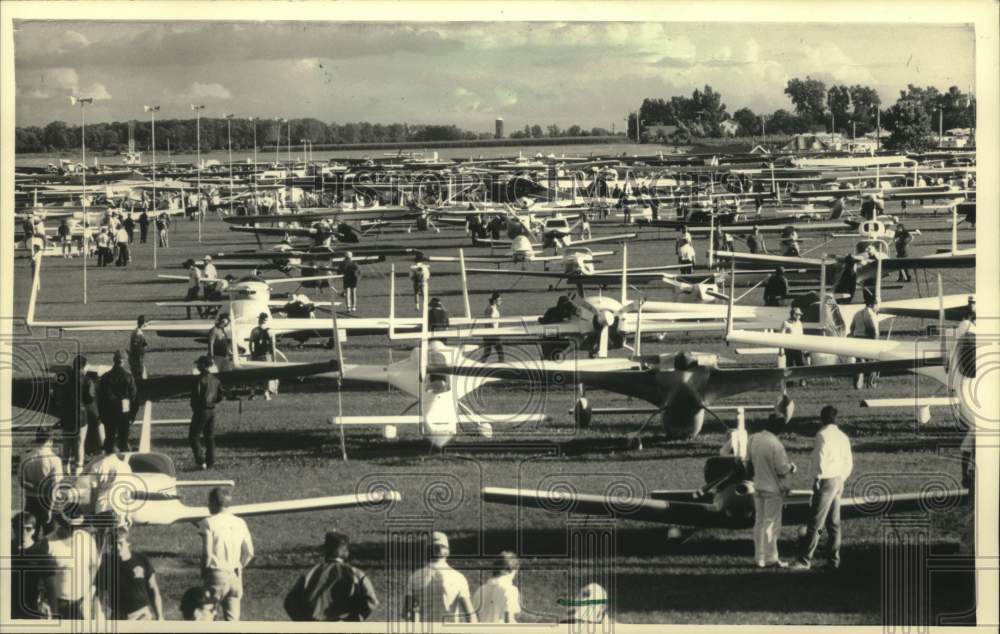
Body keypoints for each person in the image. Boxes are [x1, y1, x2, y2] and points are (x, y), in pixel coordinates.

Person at [793, 406, 853, 570]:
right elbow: (848, 461)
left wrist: (816, 478)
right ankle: (833, 559)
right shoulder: (843, 436)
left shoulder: (822, 435)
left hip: (825, 481)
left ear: (822, 419)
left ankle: (805, 559)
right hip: (838, 480)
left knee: (816, 523)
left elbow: (819, 459)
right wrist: (842, 477)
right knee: (833, 524)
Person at [283, 530, 379, 622]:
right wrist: (352, 620)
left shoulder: (309, 573)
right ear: (345, 552)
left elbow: (290, 602)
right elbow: (371, 601)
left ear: (325, 551)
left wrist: (305, 622)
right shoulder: (356, 573)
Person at [747, 414, 796, 568]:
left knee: (759, 522)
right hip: (772, 488)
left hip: (758, 485)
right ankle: (771, 558)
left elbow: (748, 462)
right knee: (771, 524)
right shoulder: (776, 444)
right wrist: (791, 468)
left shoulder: (753, 438)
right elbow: (782, 469)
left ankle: (758, 557)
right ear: (778, 427)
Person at [198, 487, 254, 621]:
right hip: (234, 576)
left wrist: (204, 571)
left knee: (207, 618)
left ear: (213, 503)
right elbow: (249, 553)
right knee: (233, 623)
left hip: (216, 574)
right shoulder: (240, 522)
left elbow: (207, 553)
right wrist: (239, 567)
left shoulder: (208, 522)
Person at [403, 531, 476, 623]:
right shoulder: (458, 578)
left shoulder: (414, 578)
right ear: (447, 551)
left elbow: (407, 613)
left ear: (426, 552)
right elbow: (470, 616)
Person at [97, 527, 163, 620]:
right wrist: (100, 617)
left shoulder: (141, 560)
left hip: (141, 616)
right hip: (118, 617)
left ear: (128, 543)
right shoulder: (107, 564)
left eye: (120, 543)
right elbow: (99, 594)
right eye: (113, 544)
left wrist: (160, 616)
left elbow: (153, 588)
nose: (117, 547)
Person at [46, 509, 100, 620]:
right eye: (70, 526)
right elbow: (43, 579)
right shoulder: (47, 543)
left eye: (77, 526)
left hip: (84, 602)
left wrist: (88, 593)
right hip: (58, 604)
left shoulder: (87, 538)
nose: (74, 529)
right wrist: (53, 609)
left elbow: (94, 566)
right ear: (60, 522)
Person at [19, 429, 63, 532]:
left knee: (31, 536)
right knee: (50, 537)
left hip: (31, 501)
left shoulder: (25, 457)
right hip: (48, 501)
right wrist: (50, 510)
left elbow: (21, 481)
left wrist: (36, 488)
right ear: (50, 441)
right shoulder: (55, 459)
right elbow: (54, 486)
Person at [11, 512, 52, 619]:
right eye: (19, 528)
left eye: (28, 529)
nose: (23, 532)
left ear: (34, 530)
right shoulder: (6, 549)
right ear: (13, 528)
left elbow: (50, 583)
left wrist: (45, 602)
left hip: (31, 607)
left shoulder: (40, 553)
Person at [98, 351, 138, 453]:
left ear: (114, 360)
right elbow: (134, 398)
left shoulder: (105, 377)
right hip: (124, 411)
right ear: (123, 361)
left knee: (110, 438)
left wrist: (102, 415)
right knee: (123, 440)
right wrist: (132, 415)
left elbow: (100, 398)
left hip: (109, 412)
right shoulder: (128, 377)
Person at [190, 355, 225, 470]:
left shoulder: (199, 380)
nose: (197, 366)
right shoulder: (216, 380)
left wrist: (194, 407)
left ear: (204, 365)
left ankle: (200, 461)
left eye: (199, 364)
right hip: (212, 410)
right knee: (209, 437)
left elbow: (196, 396)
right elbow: (220, 396)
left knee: (193, 437)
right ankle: (210, 462)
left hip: (201, 410)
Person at [472, 551, 521, 623]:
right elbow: (509, 620)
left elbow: (473, 619)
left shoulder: (479, 590)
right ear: (512, 570)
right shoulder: (511, 590)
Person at [849, 298, 880, 388]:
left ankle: (858, 385)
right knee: (873, 362)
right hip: (868, 339)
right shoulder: (871, 314)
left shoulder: (857, 313)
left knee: (859, 362)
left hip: (857, 338)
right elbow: (874, 330)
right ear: (872, 305)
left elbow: (852, 327)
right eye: (876, 305)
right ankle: (871, 383)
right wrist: (876, 343)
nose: (877, 307)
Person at [780, 307, 808, 386]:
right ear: (793, 314)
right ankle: (789, 381)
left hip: (798, 347)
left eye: (800, 315)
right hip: (789, 347)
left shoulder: (799, 323)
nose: (799, 316)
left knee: (800, 364)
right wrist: (781, 349)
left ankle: (802, 380)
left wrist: (804, 347)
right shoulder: (785, 323)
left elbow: (801, 336)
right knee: (789, 365)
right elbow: (780, 337)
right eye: (798, 315)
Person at [480, 292, 505, 362]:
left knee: (487, 353)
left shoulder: (487, 308)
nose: (501, 302)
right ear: (494, 301)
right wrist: (495, 333)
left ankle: (479, 365)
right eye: (499, 300)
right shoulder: (493, 309)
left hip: (486, 334)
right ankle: (501, 365)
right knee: (500, 352)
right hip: (493, 334)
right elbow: (492, 321)